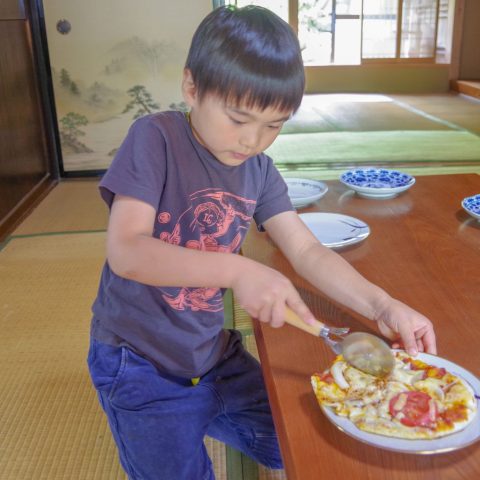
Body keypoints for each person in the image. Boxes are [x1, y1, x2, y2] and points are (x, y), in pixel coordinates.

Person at [87, 5, 436, 480]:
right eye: (238, 118)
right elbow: (127, 251)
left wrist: (383, 305)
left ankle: (202, 413)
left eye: (274, 125)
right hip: (138, 362)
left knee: (297, 443)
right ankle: (181, 418)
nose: (252, 140)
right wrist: (239, 270)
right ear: (192, 87)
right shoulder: (155, 138)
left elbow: (307, 251)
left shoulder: (259, 170)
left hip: (212, 353)